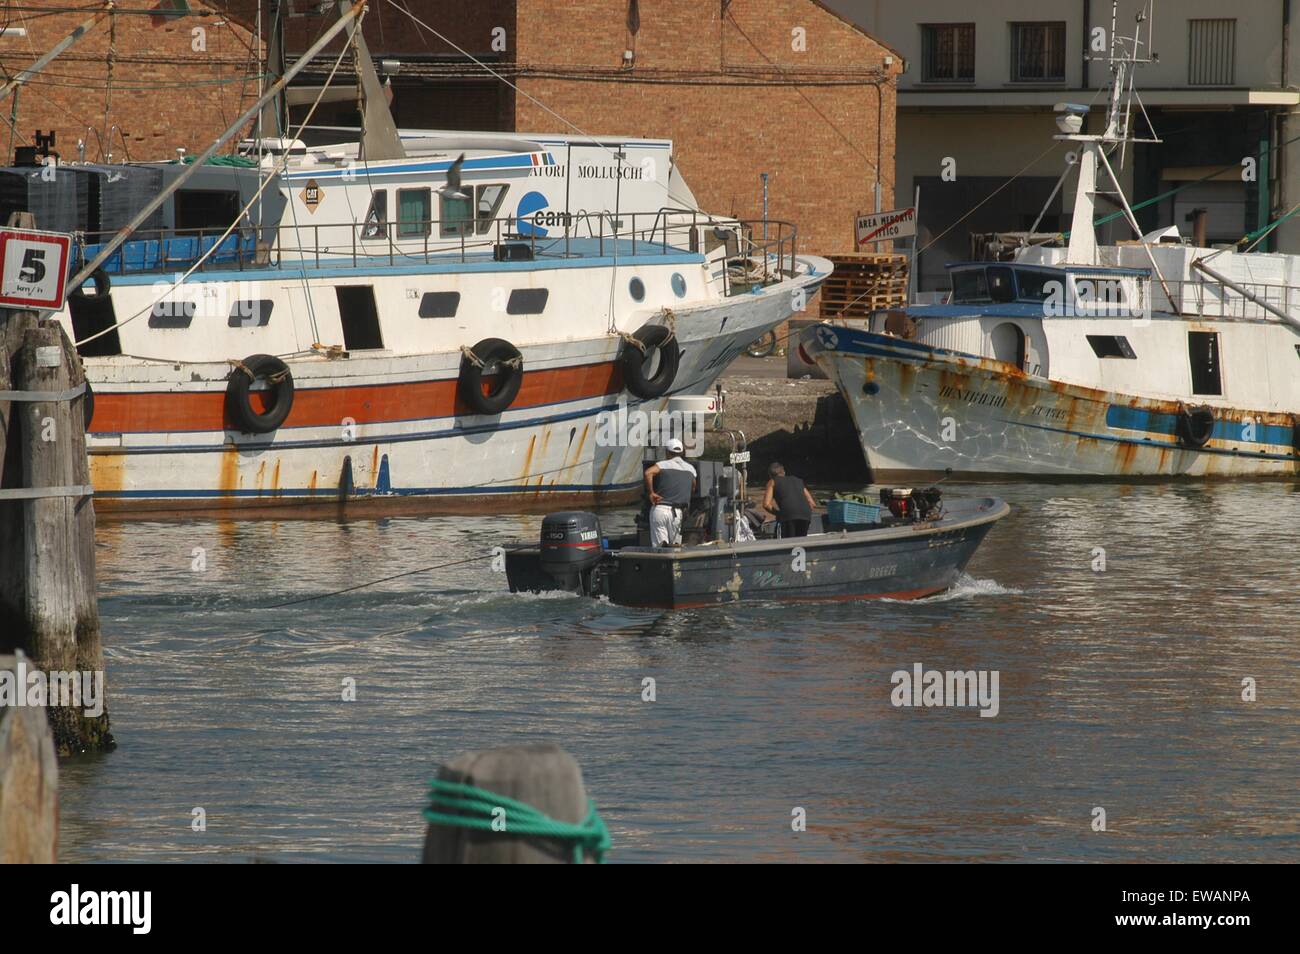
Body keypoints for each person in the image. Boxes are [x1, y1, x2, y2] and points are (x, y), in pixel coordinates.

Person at [643, 438, 696, 546]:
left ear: (667, 452)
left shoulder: (662, 464)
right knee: (676, 547)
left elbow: (648, 473)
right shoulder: (691, 469)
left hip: (660, 509)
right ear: (681, 452)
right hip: (678, 513)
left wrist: (651, 493)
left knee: (661, 547)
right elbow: (693, 487)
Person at [762, 461, 817, 538]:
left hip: (788, 514)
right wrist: (803, 512)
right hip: (805, 514)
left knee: (788, 543)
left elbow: (766, 504)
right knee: (800, 542)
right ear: (784, 472)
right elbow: (812, 503)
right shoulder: (798, 480)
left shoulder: (772, 482)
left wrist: (779, 514)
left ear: (770, 475)